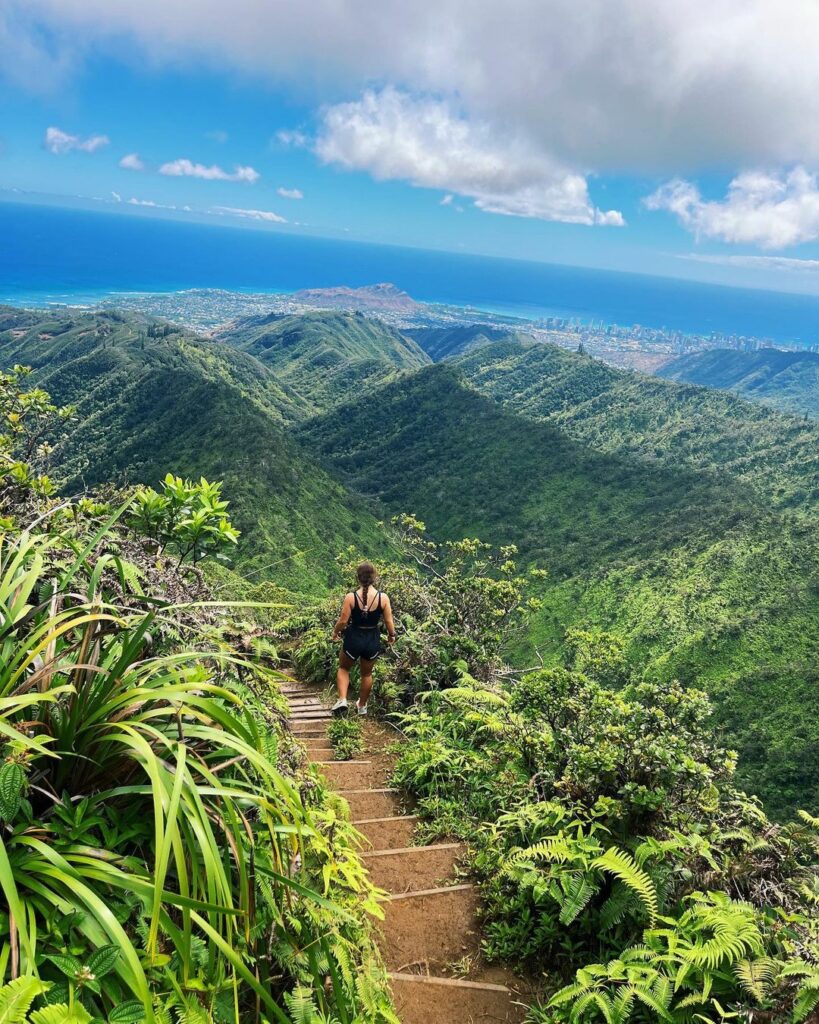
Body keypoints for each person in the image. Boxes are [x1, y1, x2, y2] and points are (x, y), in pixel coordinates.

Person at [331, 561, 396, 716]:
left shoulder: (351, 597)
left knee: (344, 668)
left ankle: (342, 700)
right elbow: (388, 621)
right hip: (372, 639)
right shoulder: (383, 598)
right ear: (374, 578)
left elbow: (343, 621)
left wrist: (335, 632)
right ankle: (362, 706)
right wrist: (392, 635)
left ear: (358, 578)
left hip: (354, 637)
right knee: (366, 674)